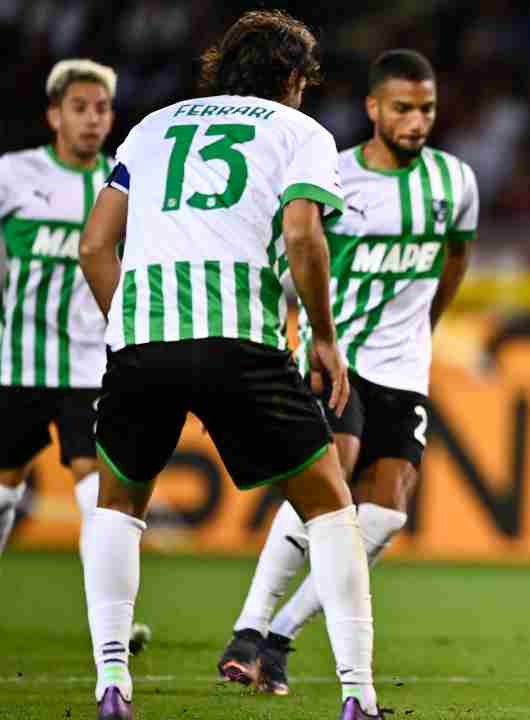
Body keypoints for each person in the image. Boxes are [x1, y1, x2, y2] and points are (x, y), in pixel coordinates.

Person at [77, 10, 382, 720]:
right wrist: (326, 339)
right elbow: (304, 234)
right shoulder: (299, 132)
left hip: (140, 344)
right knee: (331, 503)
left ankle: (112, 683)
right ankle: (357, 695)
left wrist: (129, 323)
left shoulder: (150, 128)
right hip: (239, 340)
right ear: (291, 78)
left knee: (118, 507)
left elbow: (95, 246)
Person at [220, 48, 476, 696]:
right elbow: (289, 260)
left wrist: (426, 327)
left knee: (385, 518)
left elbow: (455, 259)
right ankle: (248, 629)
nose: (417, 122)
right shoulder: (332, 175)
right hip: (341, 356)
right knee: (327, 482)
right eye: (403, 109)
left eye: (427, 109)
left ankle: (278, 635)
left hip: (405, 367)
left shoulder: (456, 182)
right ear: (373, 109)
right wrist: (290, 336)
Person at [0, 59, 114, 560]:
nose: (92, 119)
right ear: (54, 116)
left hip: (92, 362)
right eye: (80, 108)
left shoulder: (120, 183)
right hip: (18, 358)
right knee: (6, 483)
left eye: (102, 109)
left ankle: (104, 618)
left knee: (94, 483)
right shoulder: (13, 173)